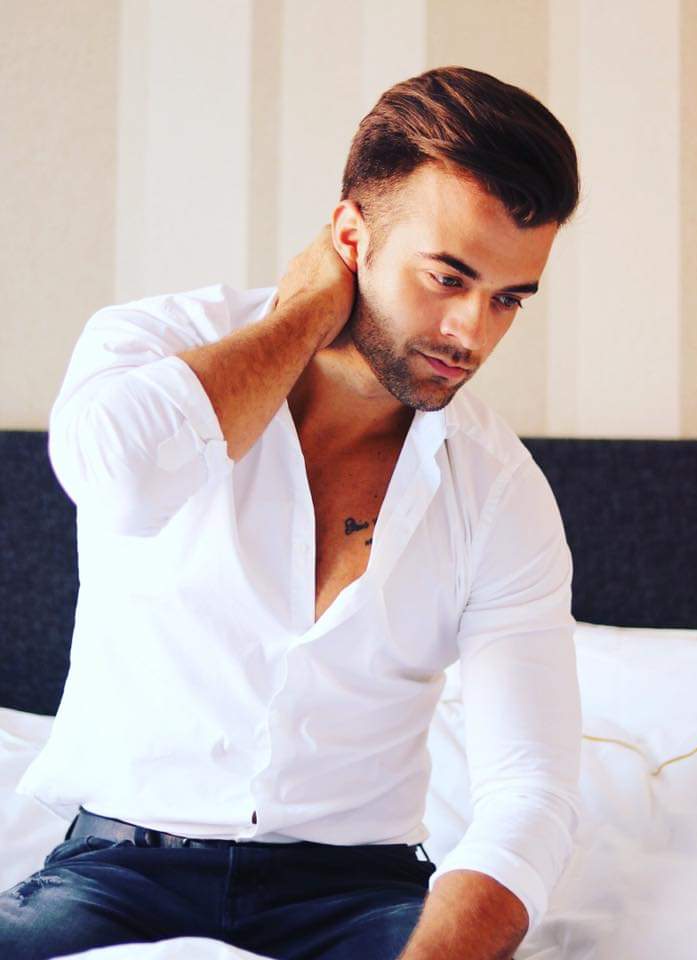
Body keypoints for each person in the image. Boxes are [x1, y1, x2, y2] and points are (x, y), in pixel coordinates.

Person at [0, 65, 583, 960]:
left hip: (361, 898)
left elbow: (529, 788)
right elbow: (120, 480)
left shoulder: (499, 489)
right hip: (115, 875)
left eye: (508, 298)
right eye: (447, 278)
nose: (473, 333)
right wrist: (308, 309)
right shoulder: (152, 347)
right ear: (351, 236)